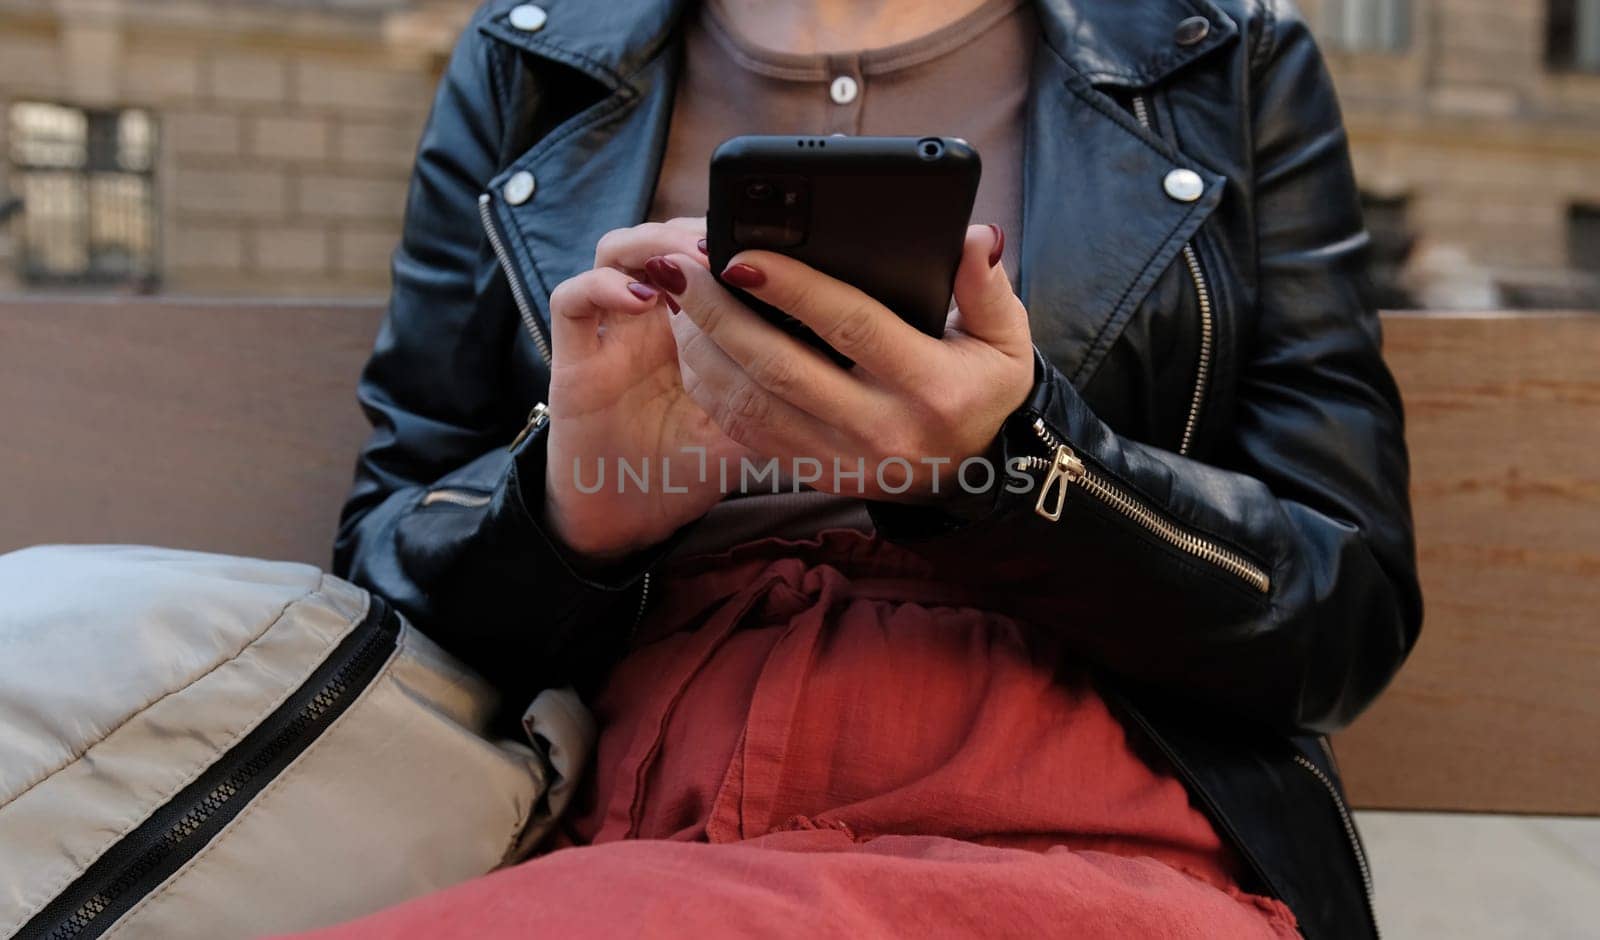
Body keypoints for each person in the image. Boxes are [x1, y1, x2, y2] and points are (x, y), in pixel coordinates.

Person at [324, 0, 1422, 936]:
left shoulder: (1222, 56)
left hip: (1078, 781)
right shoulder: (533, 56)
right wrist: (577, 504)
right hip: (643, 774)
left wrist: (1005, 471)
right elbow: (385, 559)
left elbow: (1341, 610)